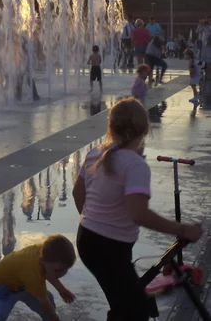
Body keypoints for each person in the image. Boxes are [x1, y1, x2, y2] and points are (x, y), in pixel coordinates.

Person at [73, 98, 203, 321]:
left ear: (111, 127)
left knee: (126, 304)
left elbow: (78, 193)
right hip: (109, 247)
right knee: (134, 312)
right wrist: (183, 229)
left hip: (87, 238)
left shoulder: (96, 153)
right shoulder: (135, 165)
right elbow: (138, 213)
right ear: (145, 129)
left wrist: (95, 219)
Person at [0, 234, 76, 321]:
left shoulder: (46, 253)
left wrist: (61, 290)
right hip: (2, 284)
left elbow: (49, 274)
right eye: (57, 270)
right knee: (0, 314)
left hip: (22, 284)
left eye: (65, 269)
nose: (62, 274)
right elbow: (44, 303)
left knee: (49, 302)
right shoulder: (33, 274)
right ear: (42, 261)